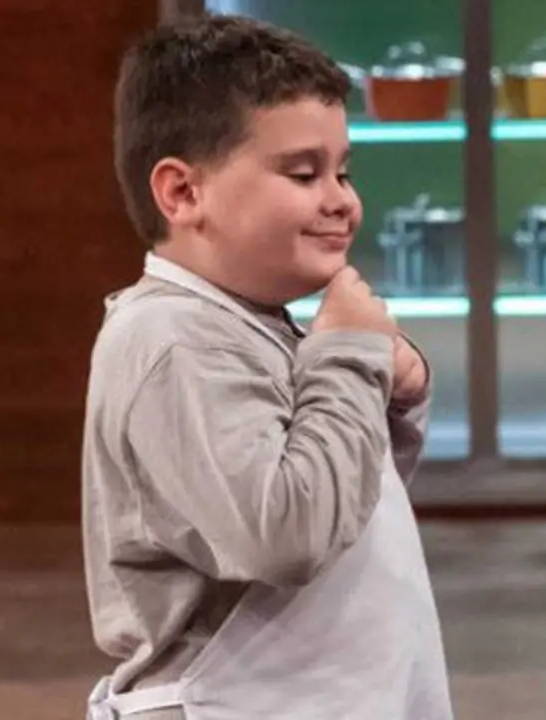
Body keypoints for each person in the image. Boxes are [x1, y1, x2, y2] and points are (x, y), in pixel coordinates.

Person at [81, 14, 452, 719]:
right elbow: (286, 535)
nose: (341, 200)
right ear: (182, 193)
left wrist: (392, 394)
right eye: (303, 173)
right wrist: (345, 357)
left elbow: (344, 516)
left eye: (343, 171)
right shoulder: (172, 341)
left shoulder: (256, 324)